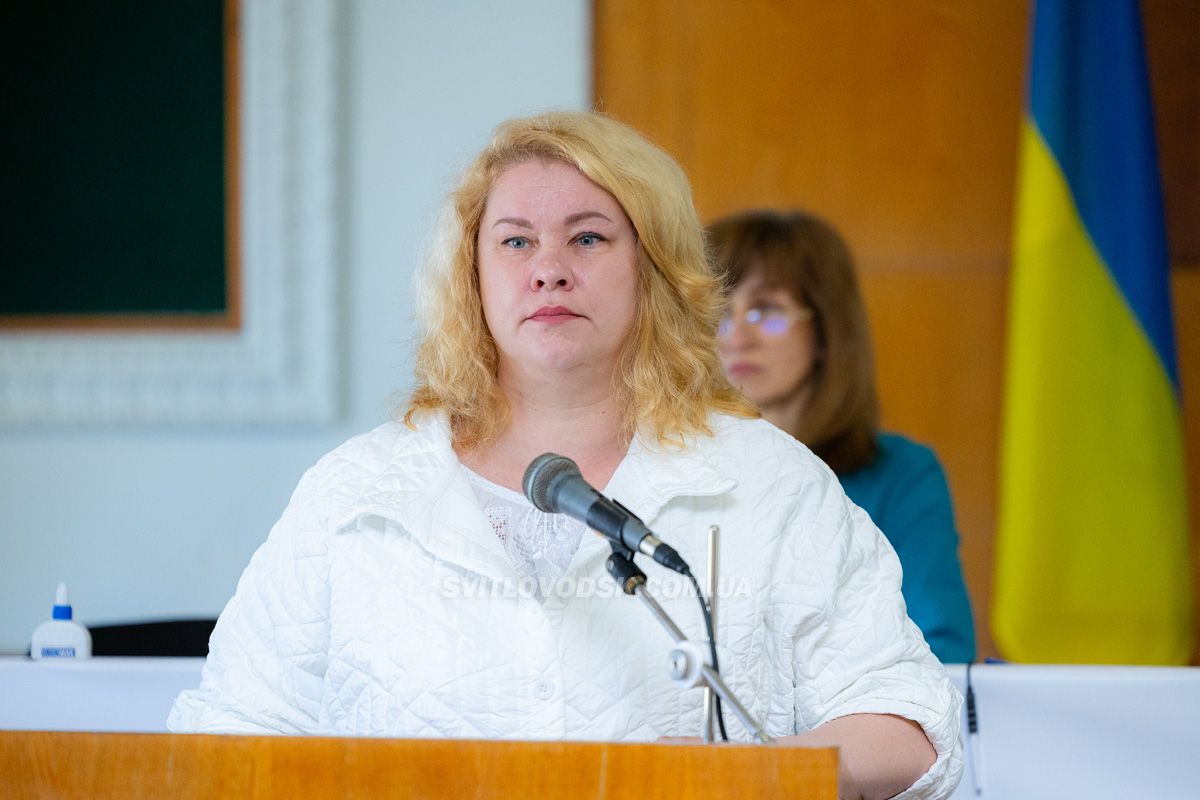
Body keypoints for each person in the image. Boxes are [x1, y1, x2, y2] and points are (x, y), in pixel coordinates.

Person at [169, 112, 962, 800]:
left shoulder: (767, 480)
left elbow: (911, 726)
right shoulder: (356, 492)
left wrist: (755, 775)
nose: (549, 268)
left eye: (587, 237)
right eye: (516, 241)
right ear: (472, 278)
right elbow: (227, 736)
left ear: (652, 269)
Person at [709, 209, 976, 664]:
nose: (737, 337)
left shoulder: (901, 475)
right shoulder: (670, 468)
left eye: (766, 311)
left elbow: (940, 653)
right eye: (719, 312)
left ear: (826, 330)